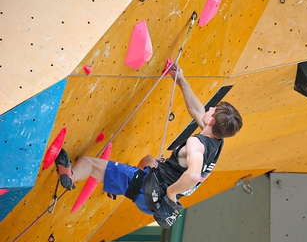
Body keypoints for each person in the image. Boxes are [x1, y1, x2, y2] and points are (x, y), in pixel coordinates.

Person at [55, 62, 243, 228]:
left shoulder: (196, 144)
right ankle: (116, 186)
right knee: (148, 160)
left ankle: (71, 177)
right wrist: (180, 80)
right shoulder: (217, 141)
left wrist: (171, 192)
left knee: (88, 163)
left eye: (213, 110)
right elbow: (196, 109)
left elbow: (193, 175)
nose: (210, 108)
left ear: (211, 122)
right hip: (155, 196)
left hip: (149, 190)